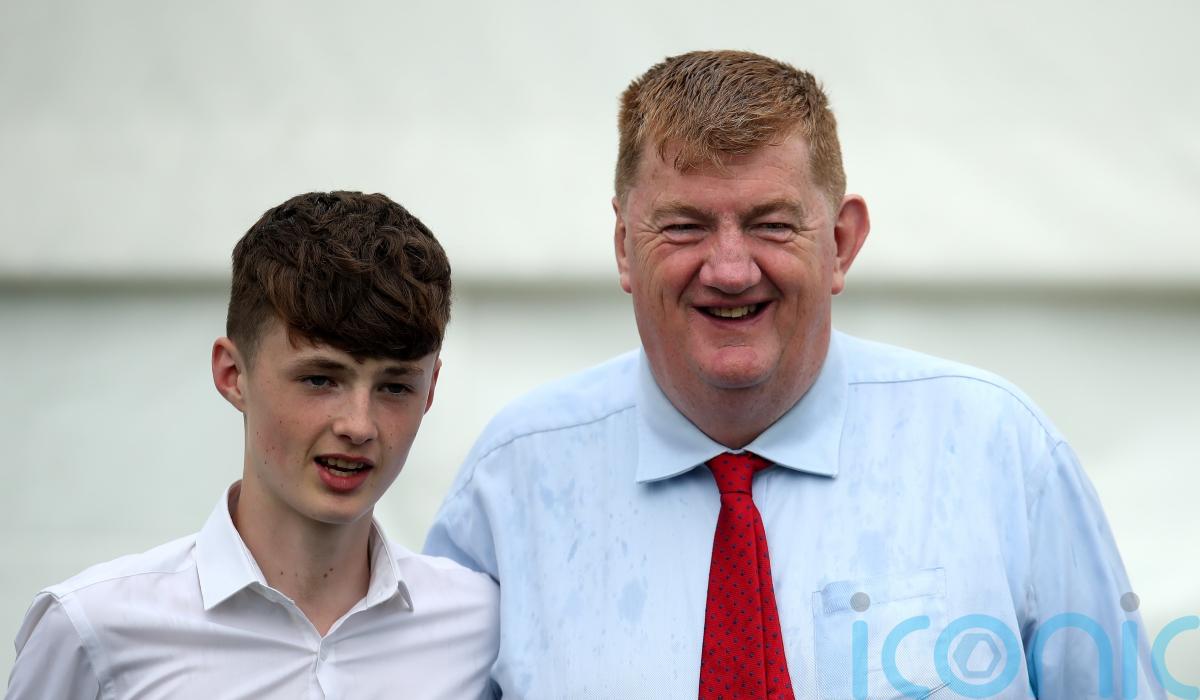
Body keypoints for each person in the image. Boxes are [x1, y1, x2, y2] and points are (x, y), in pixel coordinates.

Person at [424, 51, 1162, 698]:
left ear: (841, 242)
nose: (729, 269)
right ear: (624, 245)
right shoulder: (514, 482)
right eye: (684, 226)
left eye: (772, 224)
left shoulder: (997, 452)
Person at [8, 191, 499, 699]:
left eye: (395, 387)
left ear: (430, 390)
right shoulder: (92, 630)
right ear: (232, 374)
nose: (359, 425)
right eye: (320, 379)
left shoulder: (485, 629)